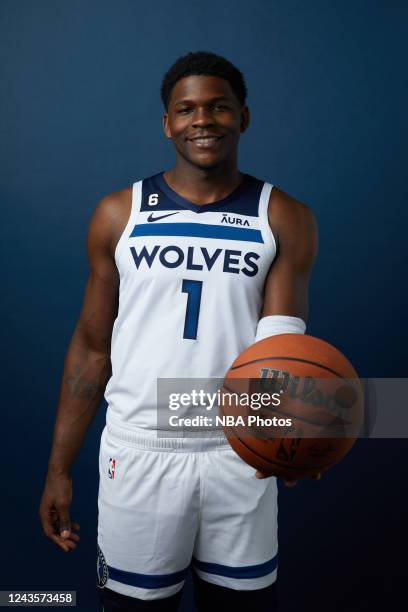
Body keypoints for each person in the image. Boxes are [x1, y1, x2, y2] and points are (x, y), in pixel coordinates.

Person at [39, 51, 319, 611]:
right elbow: (94, 348)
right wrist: (59, 468)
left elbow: (280, 350)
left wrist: (288, 438)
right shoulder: (120, 214)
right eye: (186, 109)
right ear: (167, 123)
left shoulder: (283, 216)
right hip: (140, 448)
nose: (202, 120)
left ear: (243, 116)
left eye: (218, 107)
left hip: (236, 451)